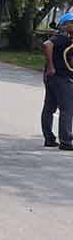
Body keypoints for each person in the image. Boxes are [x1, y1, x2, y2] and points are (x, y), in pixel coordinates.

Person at [42, 13, 73, 148]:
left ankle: (49, 138)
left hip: (53, 77)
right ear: (66, 24)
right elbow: (47, 45)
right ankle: (65, 141)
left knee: (49, 108)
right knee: (67, 108)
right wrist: (51, 66)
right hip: (60, 77)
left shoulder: (66, 38)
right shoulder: (62, 37)